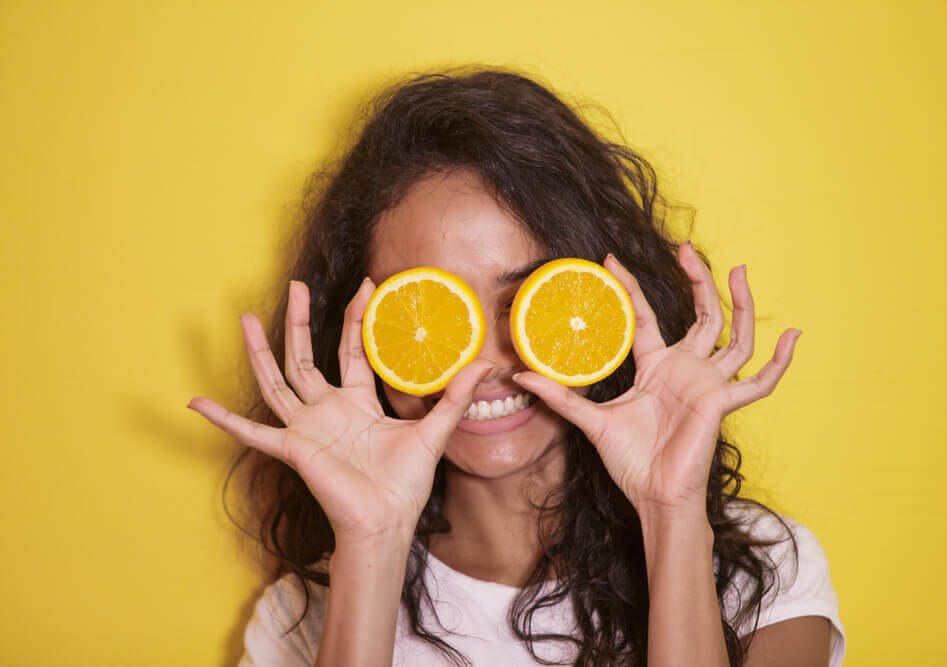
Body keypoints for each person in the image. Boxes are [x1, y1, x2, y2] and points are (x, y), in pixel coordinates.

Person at [187, 65, 845, 666]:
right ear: (358, 336)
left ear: (603, 306)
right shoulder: (303, 619)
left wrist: (671, 514)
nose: (485, 363)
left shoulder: (762, 574)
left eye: (525, 300)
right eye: (432, 313)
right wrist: (372, 544)